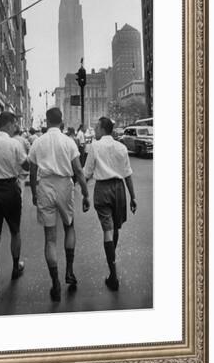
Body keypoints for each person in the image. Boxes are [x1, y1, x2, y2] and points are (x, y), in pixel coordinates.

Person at [29, 108, 90, 302]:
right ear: (61, 121)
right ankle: (69, 271)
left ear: (46, 121)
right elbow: (79, 171)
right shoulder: (69, 141)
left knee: (50, 238)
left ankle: (55, 282)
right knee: (69, 226)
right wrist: (86, 194)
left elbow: (32, 172)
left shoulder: (38, 142)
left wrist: (33, 193)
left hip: (45, 186)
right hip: (65, 185)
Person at [83, 116, 138, 290]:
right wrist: (133, 197)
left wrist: (83, 193)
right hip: (119, 189)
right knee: (115, 229)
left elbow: (87, 172)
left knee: (107, 230)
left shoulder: (94, 146)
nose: (95, 130)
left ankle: (113, 274)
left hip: (102, 190)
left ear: (103, 129)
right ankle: (112, 263)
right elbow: (127, 173)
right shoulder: (121, 147)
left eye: (97, 127)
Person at [0, 111, 30, 301]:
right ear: (8, 124)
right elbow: (26, 166)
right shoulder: (15, 144)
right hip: (10, 190)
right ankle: (16, 267)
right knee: (15, 231)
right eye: (14, 124)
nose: (15, 127)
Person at [13, 124, 30, 197]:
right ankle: (20, 202)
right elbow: (29, 150)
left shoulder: (10, 139)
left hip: (12, 166)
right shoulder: (24, 140)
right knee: (21, 186)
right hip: (23, 165)